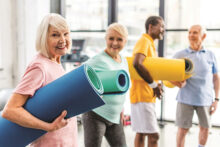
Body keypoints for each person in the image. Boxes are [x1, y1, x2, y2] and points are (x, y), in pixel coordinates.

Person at [1, 13, 78, 147]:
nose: (63, 40)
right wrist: (48, 126)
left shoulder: (55, 62)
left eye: (66, 34)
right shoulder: (39, 67)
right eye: (55, 35)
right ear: (43, 38)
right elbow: (10, 110)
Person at [171, 25, 219, 147]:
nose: (191, 35)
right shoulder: (179, 55)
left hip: (205, 99)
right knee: (183, 130)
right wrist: (177, 82)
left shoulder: (211, 55)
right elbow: (168, 76)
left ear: (203, 36)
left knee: (205, 128)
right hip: (185, 99)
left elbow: (216, 78)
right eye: (190, 32)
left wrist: (217, 99)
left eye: (195, 32)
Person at [82, 23, 129, 147]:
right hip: (95, 115)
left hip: (115, 116)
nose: (114, 43)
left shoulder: (123, 60)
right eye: (111, 38)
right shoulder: (98, 60)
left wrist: (121, 108)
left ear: (125, 41)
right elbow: (79, 75)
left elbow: (122, 87)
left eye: (119, 39)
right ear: (106, 39)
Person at [130, 16, 164, 147]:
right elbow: (137, 64)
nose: (163, 30)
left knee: (141, 132)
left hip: (143, 95)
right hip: (142, 96)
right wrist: (154, 85)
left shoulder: (149, 43)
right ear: (150, 27)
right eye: (161, 26)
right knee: (154, 135)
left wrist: (156, 83)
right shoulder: (144, 41)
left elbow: (147, 68)